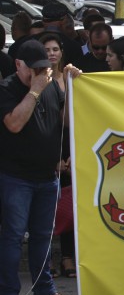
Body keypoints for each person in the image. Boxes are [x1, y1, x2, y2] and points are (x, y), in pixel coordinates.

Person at [0, 40, 81, 295]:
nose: (39, 74)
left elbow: (66, 121)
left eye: (44, 69)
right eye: (34, 69)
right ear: (18, 64)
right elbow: (14, 123)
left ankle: (44, 290)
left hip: (48, 176)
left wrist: (69, 88)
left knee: (43, 238)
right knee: (12, 238)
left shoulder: (48, 85)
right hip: (16, 177)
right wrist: (35, 90)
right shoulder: (8, 88)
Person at [39, 32, 76, 278]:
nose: (52, 53)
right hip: (47, 147)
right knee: (47, 209)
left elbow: (76, 118)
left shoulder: (72, 77)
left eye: (55, 49)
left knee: (69, 207)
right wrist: (53, 159)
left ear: (62, 52)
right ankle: (46, 259)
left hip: (71, 147)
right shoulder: (38, 80)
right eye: (47, 50)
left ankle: (67, 257)